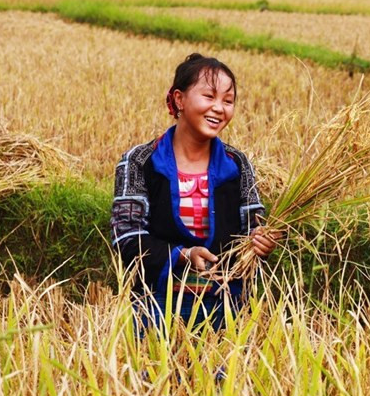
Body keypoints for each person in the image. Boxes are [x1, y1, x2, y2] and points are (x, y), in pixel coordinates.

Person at [111, 53, 276, 332]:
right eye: (209, 96)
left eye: (228, 101)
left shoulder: (237, 164)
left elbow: (253, 227)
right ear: (179, 99)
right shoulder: (139, 161)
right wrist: (183, 255)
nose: (219, 108)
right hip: (155, 304)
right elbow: (126, 236)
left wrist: (261, 242)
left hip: (225, 305)